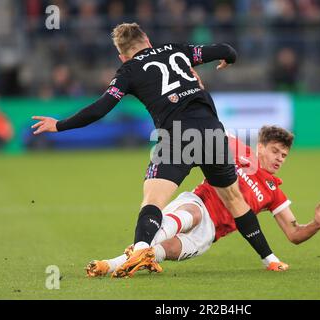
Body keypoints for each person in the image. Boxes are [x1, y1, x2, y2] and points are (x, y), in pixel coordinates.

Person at [31, 23, 276, 274]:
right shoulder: (175, 49)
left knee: (153, 201)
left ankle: (140, 250)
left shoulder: (127, 70)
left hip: (178, 137)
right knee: (235, 200)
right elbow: (226, 49)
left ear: (122, 55)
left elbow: (100, 108)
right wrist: (228, 60)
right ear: (147, 40)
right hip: (212, 131)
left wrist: (59, 125)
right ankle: (271, 260)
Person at [86, 126, 320, 278]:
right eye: (275, 151)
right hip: (199, 202)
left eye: (284, 155)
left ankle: (134, 257)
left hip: (209, 235)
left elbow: (294, 234)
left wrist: (316, 225)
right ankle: (110, 264)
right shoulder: (239, 150)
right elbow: (210, 122)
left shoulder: (275, 192)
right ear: (260, 146)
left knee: (164, 251)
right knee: (189, 215)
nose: (279, 158)